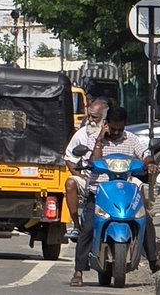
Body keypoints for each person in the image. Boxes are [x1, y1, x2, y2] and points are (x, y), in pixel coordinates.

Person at [70, 106, 159, 287]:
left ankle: (153, 260)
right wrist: (101, 140)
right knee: (87, 228)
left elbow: (145, 155)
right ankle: (78, 271)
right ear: (106, 124)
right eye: (113, 128)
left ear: (125, 125)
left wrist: (150, 163)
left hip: (124, 191)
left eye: (120, 128)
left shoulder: (132, 139)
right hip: (99, 191)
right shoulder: (96, 138)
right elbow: (94, 161)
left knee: (145, 219)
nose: (117, 132)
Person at [63, 98, 109, 240]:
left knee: (139, 191)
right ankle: (76, 226)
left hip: (116, 180)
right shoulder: (83, 134)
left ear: (105, 118)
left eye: (94, 117)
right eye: (88, 116)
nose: (90, 120)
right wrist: (79, 174)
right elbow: (69, 157)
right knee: (70, 183)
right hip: (91, 180)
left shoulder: (122, 135)